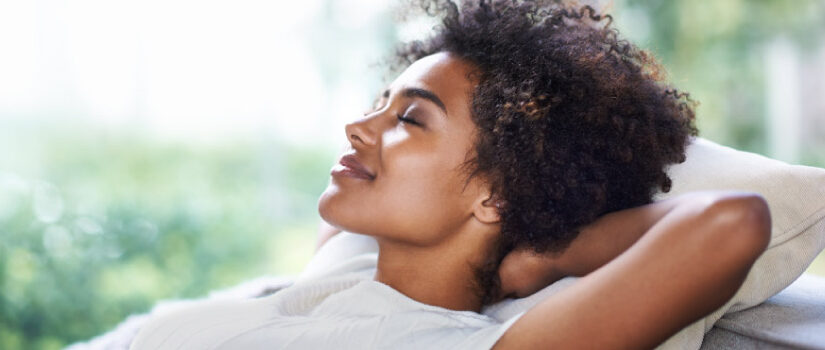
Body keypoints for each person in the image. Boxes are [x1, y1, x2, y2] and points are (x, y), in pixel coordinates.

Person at [130, 1, 771, 349]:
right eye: (378, 102)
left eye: (409, 118)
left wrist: (539, 261)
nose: (360, 127)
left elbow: (730, 221)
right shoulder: (347, 266)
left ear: (495, 196)